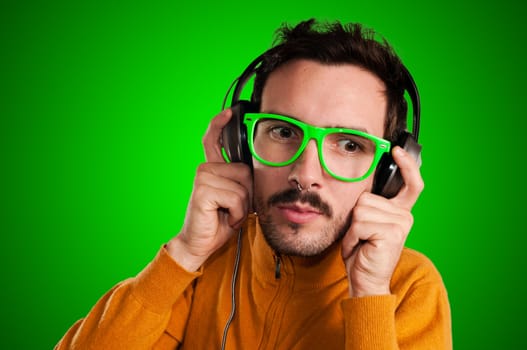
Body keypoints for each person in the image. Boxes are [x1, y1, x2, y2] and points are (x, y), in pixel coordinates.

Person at [56, 19, 452, 349]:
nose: (306, 173)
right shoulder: (204, 261)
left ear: (389, 173)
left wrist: (370, 295)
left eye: (349, 145)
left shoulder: (410, 286)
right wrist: (182, 256)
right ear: (240, 145)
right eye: (282, 131)